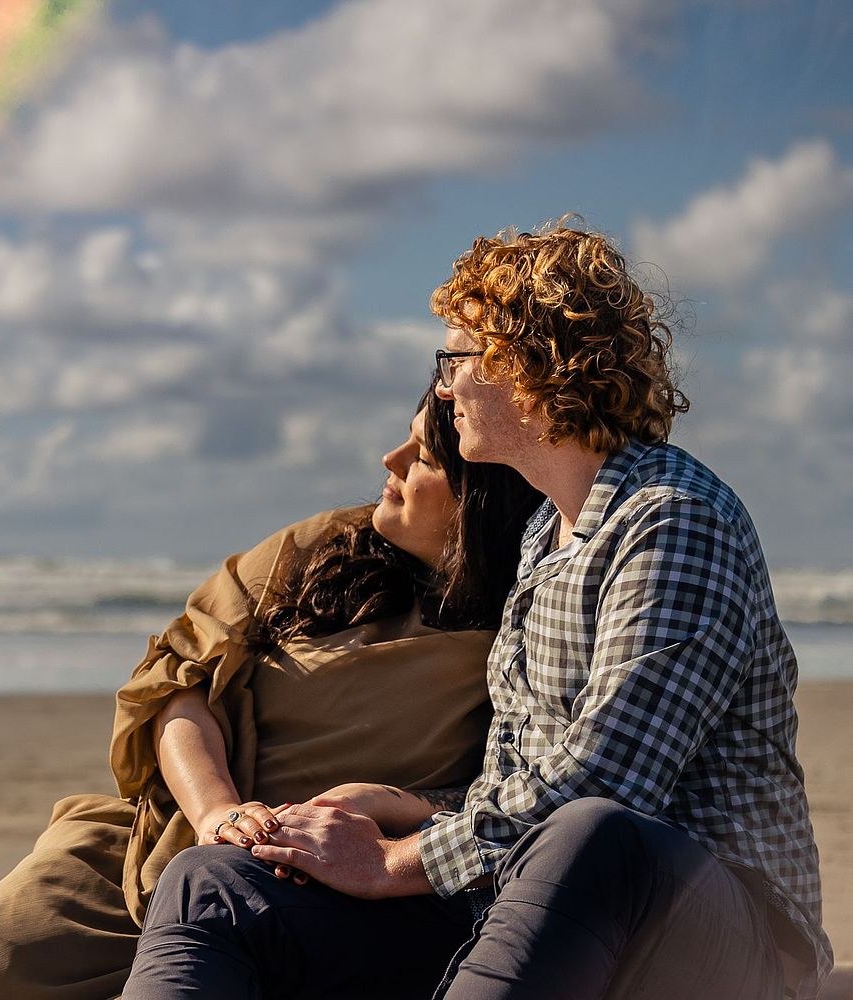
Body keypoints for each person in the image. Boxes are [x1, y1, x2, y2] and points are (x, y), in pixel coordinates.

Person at [121, 224, 831, 1000]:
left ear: (528, 368)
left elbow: (609, 784)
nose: (446, 385)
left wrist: (393, 863)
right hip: (528, 903)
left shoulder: (673, 520)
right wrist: (395, 812)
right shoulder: (543, 532)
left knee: (594, 833)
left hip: (722, 937)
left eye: (455, 357)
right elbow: (521, 784)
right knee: (214, 882)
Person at [0, 378, 542, 999]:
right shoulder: (317, 550)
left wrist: (382, 808)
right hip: (170, 844)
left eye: (424, 458)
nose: (391, 461)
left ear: (481, 501)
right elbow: (176, 686)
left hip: (345, 887)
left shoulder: (529, 628)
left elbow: (523, 795)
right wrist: (218, 812)